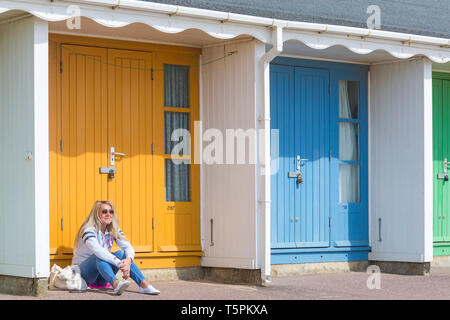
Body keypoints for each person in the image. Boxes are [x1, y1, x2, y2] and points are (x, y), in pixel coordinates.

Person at [72, 200, 160, 295]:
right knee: (99, 255)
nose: (108, 214)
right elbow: (98, 251)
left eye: (111, 211)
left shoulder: (112, 229)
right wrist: (121, 264)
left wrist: (128, 261)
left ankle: (144, 285)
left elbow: (128, 246)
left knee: (121, 253)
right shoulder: (88, 229)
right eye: (104, 211)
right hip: (83, 275)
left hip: (102, 277)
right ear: (96, 213)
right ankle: (116, 284)